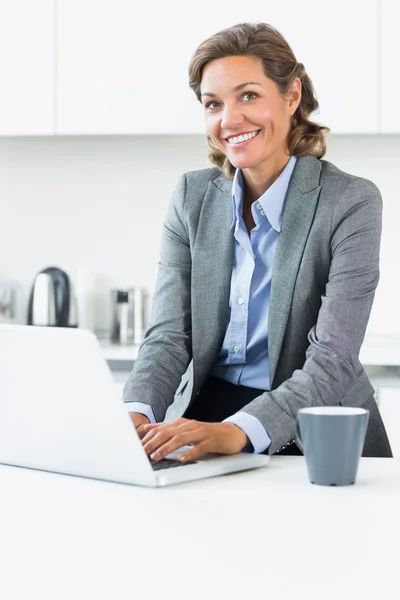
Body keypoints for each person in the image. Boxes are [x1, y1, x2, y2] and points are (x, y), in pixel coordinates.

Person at [122, 22, 392, 462]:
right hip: (207, 418)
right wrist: (136, 412)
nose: (230, 120)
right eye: (214, 104)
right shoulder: (192, 197)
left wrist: (240, 430)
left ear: (292, 96)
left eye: (248, 95)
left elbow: (333, 359)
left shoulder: (351, 201)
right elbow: (169, 337)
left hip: (312, 428)